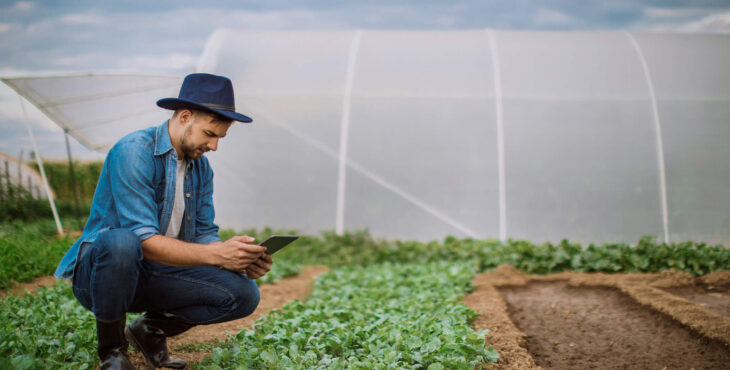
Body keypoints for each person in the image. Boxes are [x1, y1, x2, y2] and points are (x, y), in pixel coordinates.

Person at [53, 73, 274, 369]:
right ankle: (112, 352)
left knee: (243, 294)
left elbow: (204, 233)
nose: (214, 146)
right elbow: (142, 240)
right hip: (100, 276)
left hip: (153, 274)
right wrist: (214, 254)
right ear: (184, 117)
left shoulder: (201, 169)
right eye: (209, 134)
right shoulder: (134, 151)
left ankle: (150, 330)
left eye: (220, 138)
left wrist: (236, 258)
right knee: (122, 242)